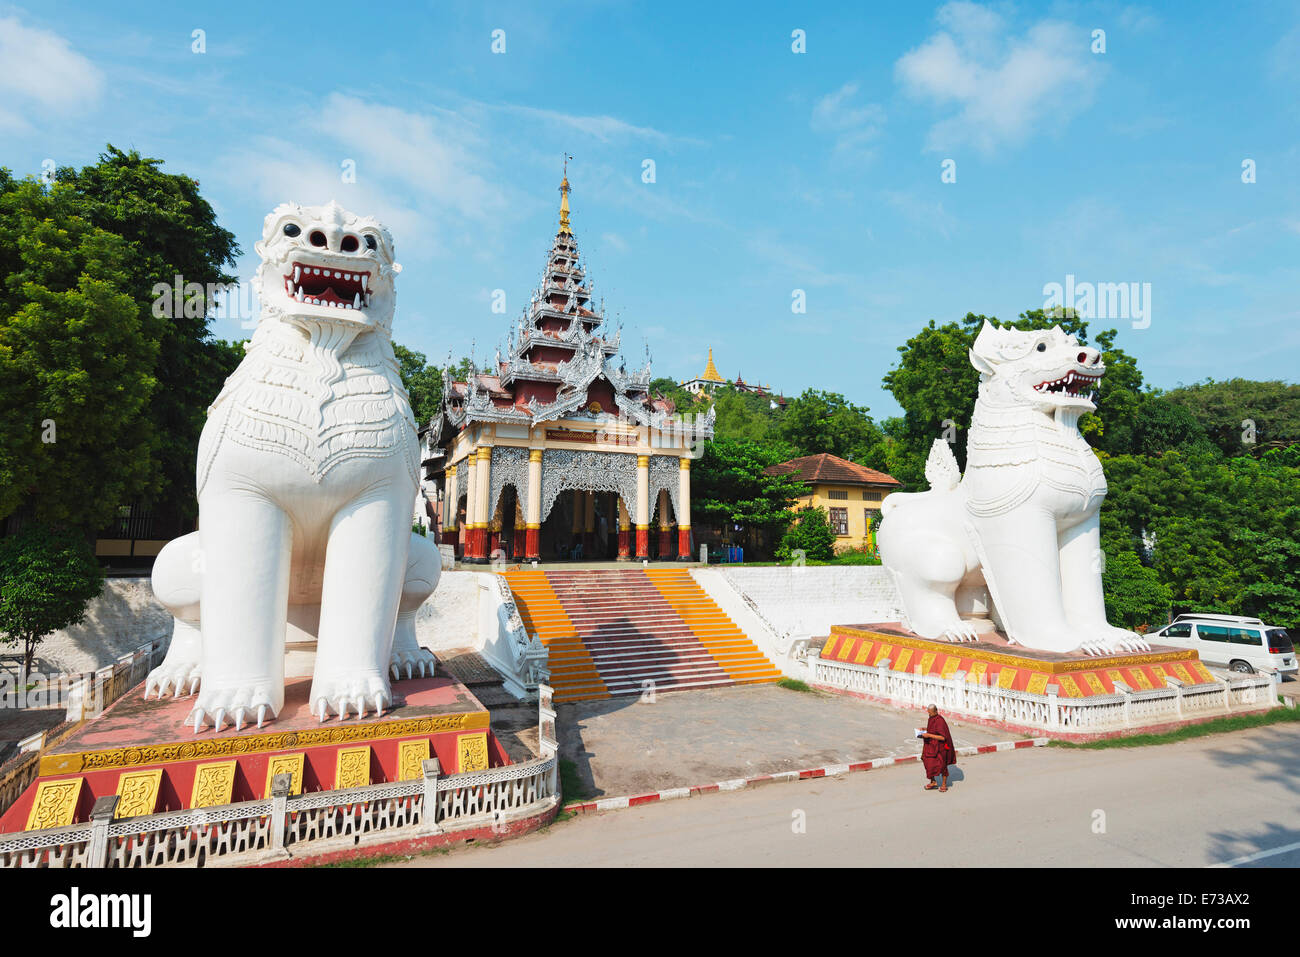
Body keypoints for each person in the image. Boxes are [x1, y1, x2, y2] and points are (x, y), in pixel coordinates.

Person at [919, 704, 957, 792]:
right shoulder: (931, 718)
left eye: (930, 713)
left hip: (940, 747)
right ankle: (933, 782)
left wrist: (928, 735)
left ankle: (944, 784)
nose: (929, 714)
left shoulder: (940, 721)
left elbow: (943, 737)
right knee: (927, 761)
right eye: (928, 713)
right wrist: (925, 730)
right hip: (930, 745)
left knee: (942, 765)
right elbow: (933, 730)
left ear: (936, 711)